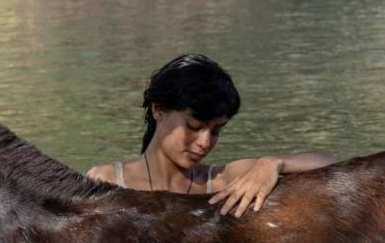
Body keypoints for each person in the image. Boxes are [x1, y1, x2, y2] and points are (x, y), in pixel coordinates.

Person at [87, 54, 336, 217]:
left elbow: (331, 164)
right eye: (194, 127)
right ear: (159, 110)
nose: (205, 142)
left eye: (216, 131)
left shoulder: (219, 181)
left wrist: (272, 163)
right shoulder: (106, 179)